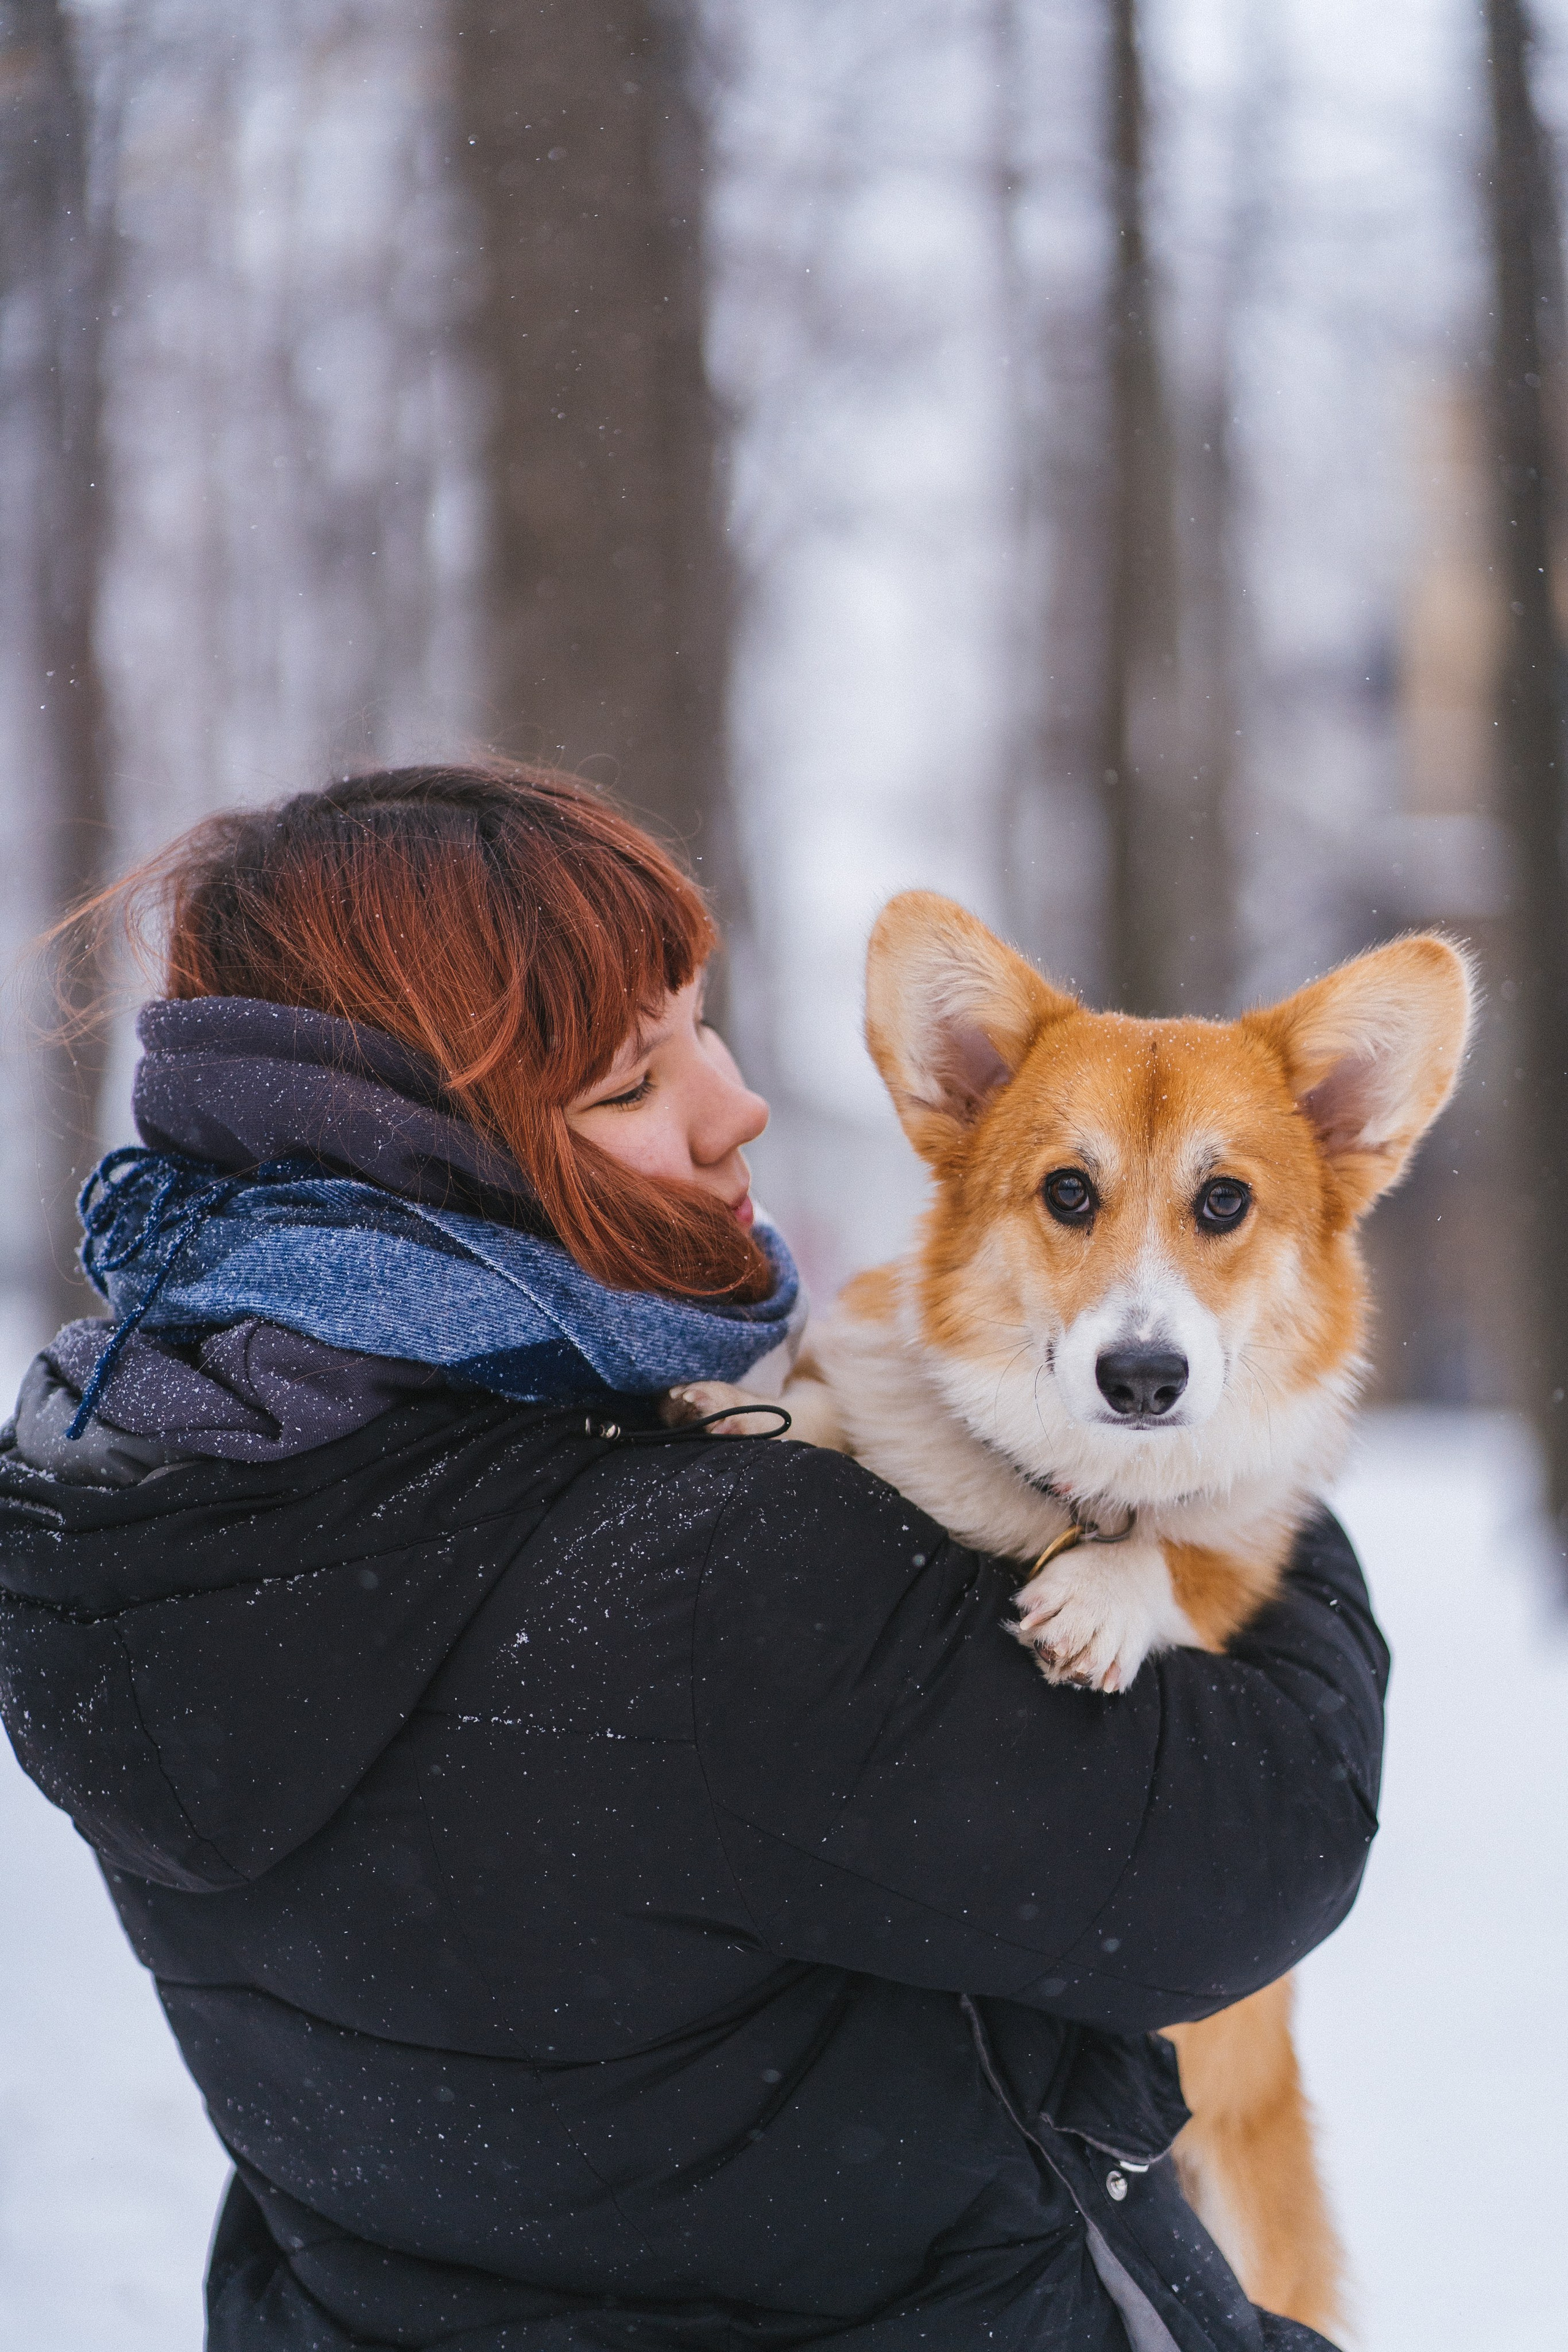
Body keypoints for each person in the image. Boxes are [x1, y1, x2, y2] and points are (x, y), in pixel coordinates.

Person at [0, 764, 1385, 2352]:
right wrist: (1251, 1471)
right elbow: (1247, 1848)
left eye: (700, 1025)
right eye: (636, 1080)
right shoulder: (705, 1577)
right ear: (458, 1154)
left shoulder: (130, 1520)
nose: (738, 1103)